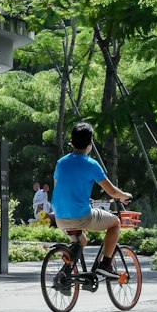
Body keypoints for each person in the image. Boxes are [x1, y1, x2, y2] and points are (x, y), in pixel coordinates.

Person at [51, 121, 131, 284]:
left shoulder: (61, 162)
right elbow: (112, 191)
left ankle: (64, 276)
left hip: (59, 216)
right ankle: (106, 264)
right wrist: (124, 196)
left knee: (81, 241)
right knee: (115, 223)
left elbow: (59, 187)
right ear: (90, 143)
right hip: (81, 216)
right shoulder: (91, 165)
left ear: (71, 142)